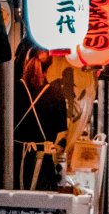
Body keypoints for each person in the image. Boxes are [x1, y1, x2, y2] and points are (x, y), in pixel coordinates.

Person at [13, 46, 68, 190]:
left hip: (14, 160)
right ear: (49, 66)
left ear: (26, 63)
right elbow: (62, 132)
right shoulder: (56, 94)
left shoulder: (14, 89)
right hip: (43, 162)